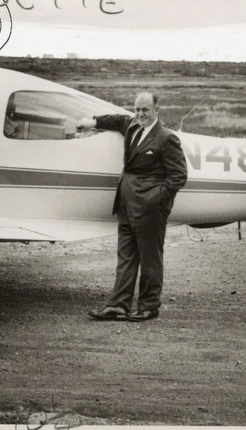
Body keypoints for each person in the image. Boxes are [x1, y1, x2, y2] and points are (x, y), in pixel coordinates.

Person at [76, 92, 188, 322]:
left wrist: (156, 200)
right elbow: (118, 120)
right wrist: (94, 121)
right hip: (126, 204)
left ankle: (149, 306)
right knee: (125, 257)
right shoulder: (133, 126)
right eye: (137, 110)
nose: (140, 114)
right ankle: (118, 306)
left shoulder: (166, 138)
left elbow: (179, 176)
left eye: (145, 110)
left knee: (150, 258)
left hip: (150, 209)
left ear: (157, 109)